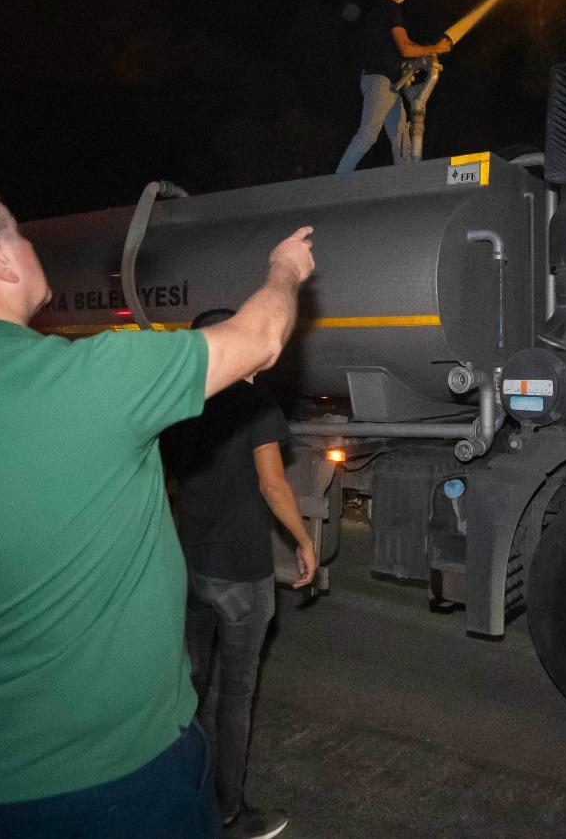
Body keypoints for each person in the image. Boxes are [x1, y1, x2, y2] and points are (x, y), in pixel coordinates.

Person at [0, 179, 314, 838]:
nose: (31, 246)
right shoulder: (95, 378)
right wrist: (284, 268)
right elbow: (261, 338)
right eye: (19, 232)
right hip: (117, 788)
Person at [162, 310, 318, 839]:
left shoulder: (181, 400)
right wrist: (302, 539)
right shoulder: (255, 404)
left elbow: (168, 480)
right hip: (240, 572)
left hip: (189, 563)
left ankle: (182, 791)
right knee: (235, 693)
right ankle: (228, 809)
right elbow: (274, 485)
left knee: (190, 685)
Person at [335, 0, 453, 176]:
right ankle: (337, 180)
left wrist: (417, 58)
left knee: (400, 136)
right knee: (369, 133)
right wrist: (436, 48)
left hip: (388, 83)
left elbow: (395, 50)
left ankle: (407, 178)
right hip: (380, 81)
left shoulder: (376, 13)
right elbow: (405, 47)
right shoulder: (389, 8)